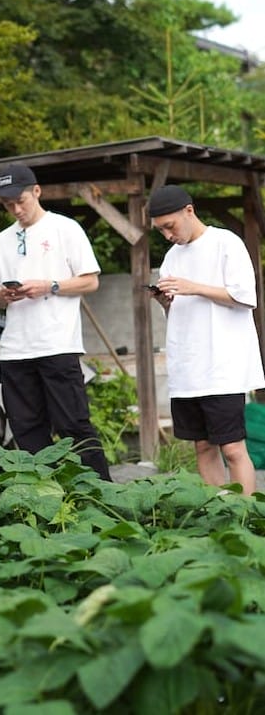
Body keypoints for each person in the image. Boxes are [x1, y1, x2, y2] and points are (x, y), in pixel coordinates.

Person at [0, 163, 112, 480]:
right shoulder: (2, 240)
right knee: (26, 429)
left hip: (57, 345)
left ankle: (104, 493)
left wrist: (50, 285)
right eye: (8, 204)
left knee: (73, 424)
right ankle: (47, 495)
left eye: (21, 201)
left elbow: (90, 282)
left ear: (36, 191)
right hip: (15, 349)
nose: (16, 209)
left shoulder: (65, 229)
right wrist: (6, 296)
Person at [147, 184, 264, 495]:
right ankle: (218, 511)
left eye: (169, 226)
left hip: (222, 365)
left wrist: (193, 286)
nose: (168, 235)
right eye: (160, 231)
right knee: (202, 446)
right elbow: (180, 311)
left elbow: (244, 296)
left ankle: (244, 516)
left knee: (233, 449)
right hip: (188, 366)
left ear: (189, 211)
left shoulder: (226, 243)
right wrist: (166, 303)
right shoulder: (172, 256)